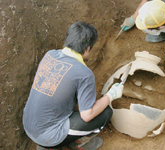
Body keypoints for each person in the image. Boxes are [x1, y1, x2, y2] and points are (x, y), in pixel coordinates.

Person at [22, 21, 124, 150]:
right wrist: (110, 95)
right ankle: (78, 143)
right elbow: (87, 115)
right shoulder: (84, 74)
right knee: (105, 113)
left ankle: (46, 144)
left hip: (28, 125)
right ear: (87, 48)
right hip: (50, 136)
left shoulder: (50, 55)